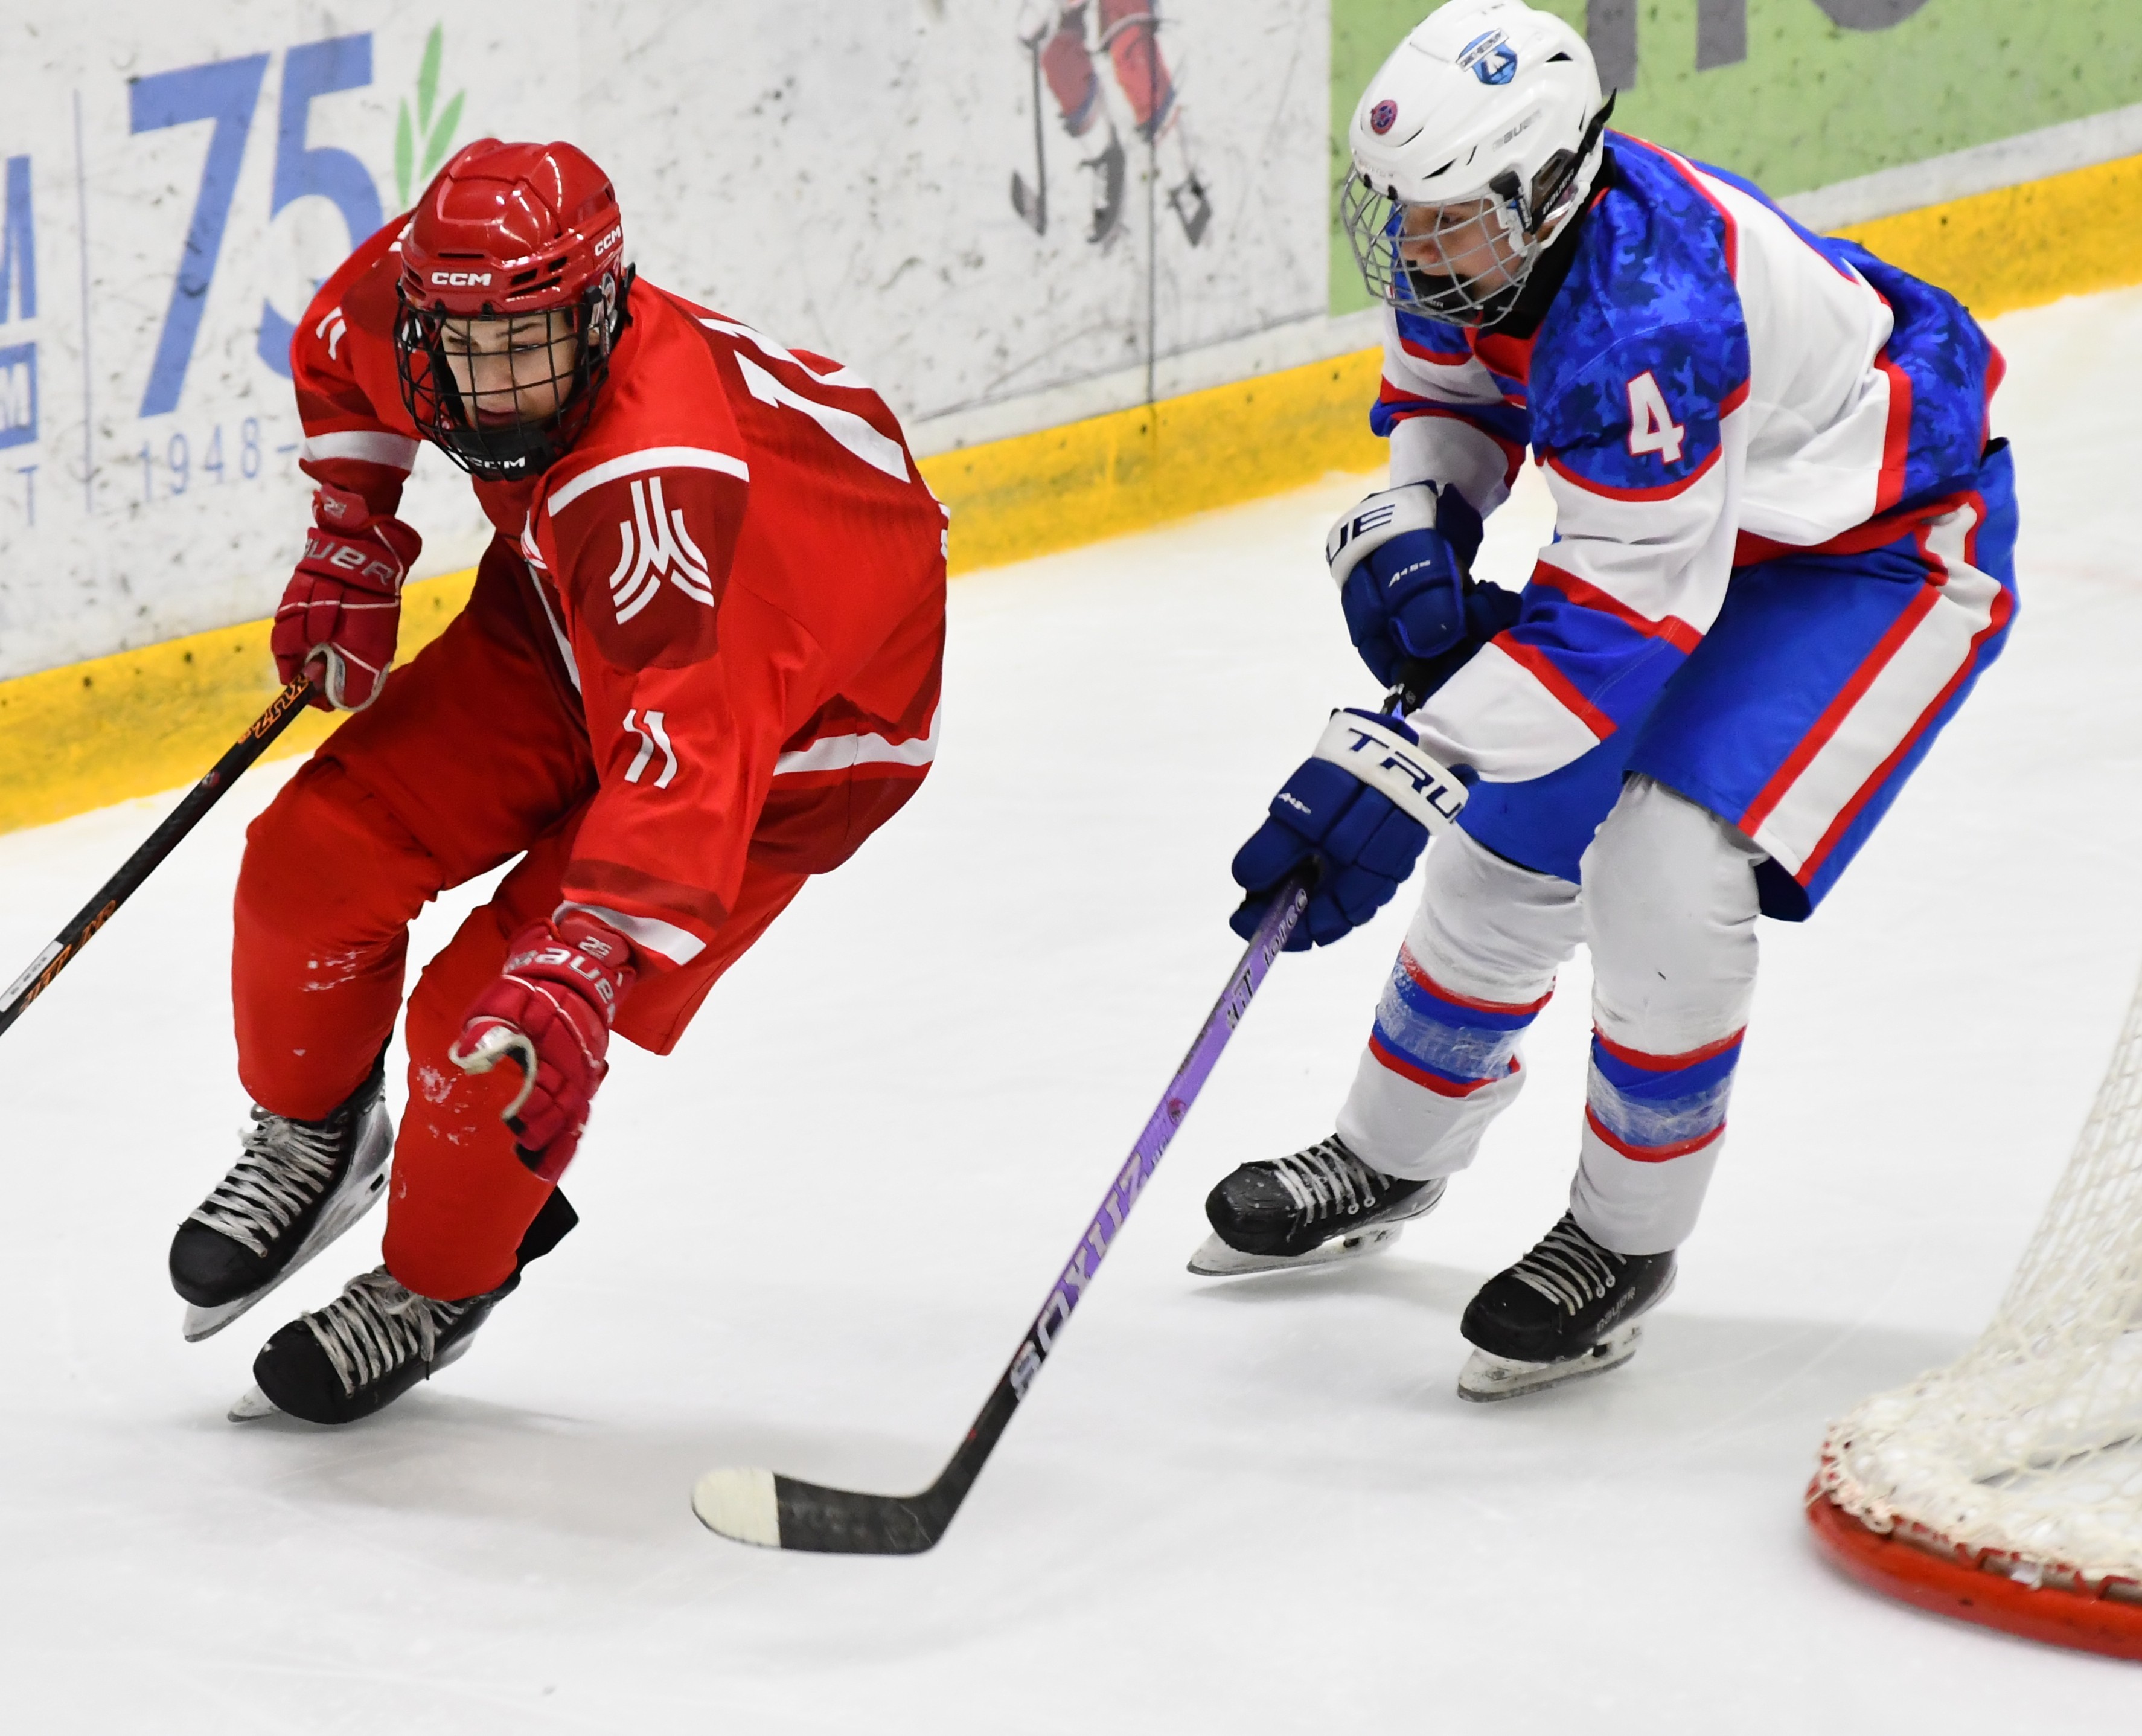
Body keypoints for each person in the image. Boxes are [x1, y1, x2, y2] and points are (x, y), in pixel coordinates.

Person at [1195, 0, 2015, 1401]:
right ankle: (1391, 1154)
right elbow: (1451, 401)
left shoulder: (1655, 315)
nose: (1412, 246)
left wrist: (1403, 759)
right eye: (1399, 214)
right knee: (1507, 839)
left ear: (1552, 184)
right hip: (1697, 526)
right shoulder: (1473, 231)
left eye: (1445, 219)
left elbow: (1621, 630)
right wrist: (1421, 517)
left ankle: (1625, 1240)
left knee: (1656, 860)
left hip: (1875, 547)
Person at [166, 139, 948, 1425]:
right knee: (313, 859)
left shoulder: (659, 494)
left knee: (492, 1036)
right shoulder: (439, 296)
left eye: (528, 343)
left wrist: (588, 953)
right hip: (562, 627)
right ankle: (320, 1133)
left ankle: (435, 1283)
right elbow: (339, 344)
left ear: (601, 309)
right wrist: (355, 532)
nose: (490, 382)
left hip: (794, 734)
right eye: (463, 346)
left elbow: (694, 751)